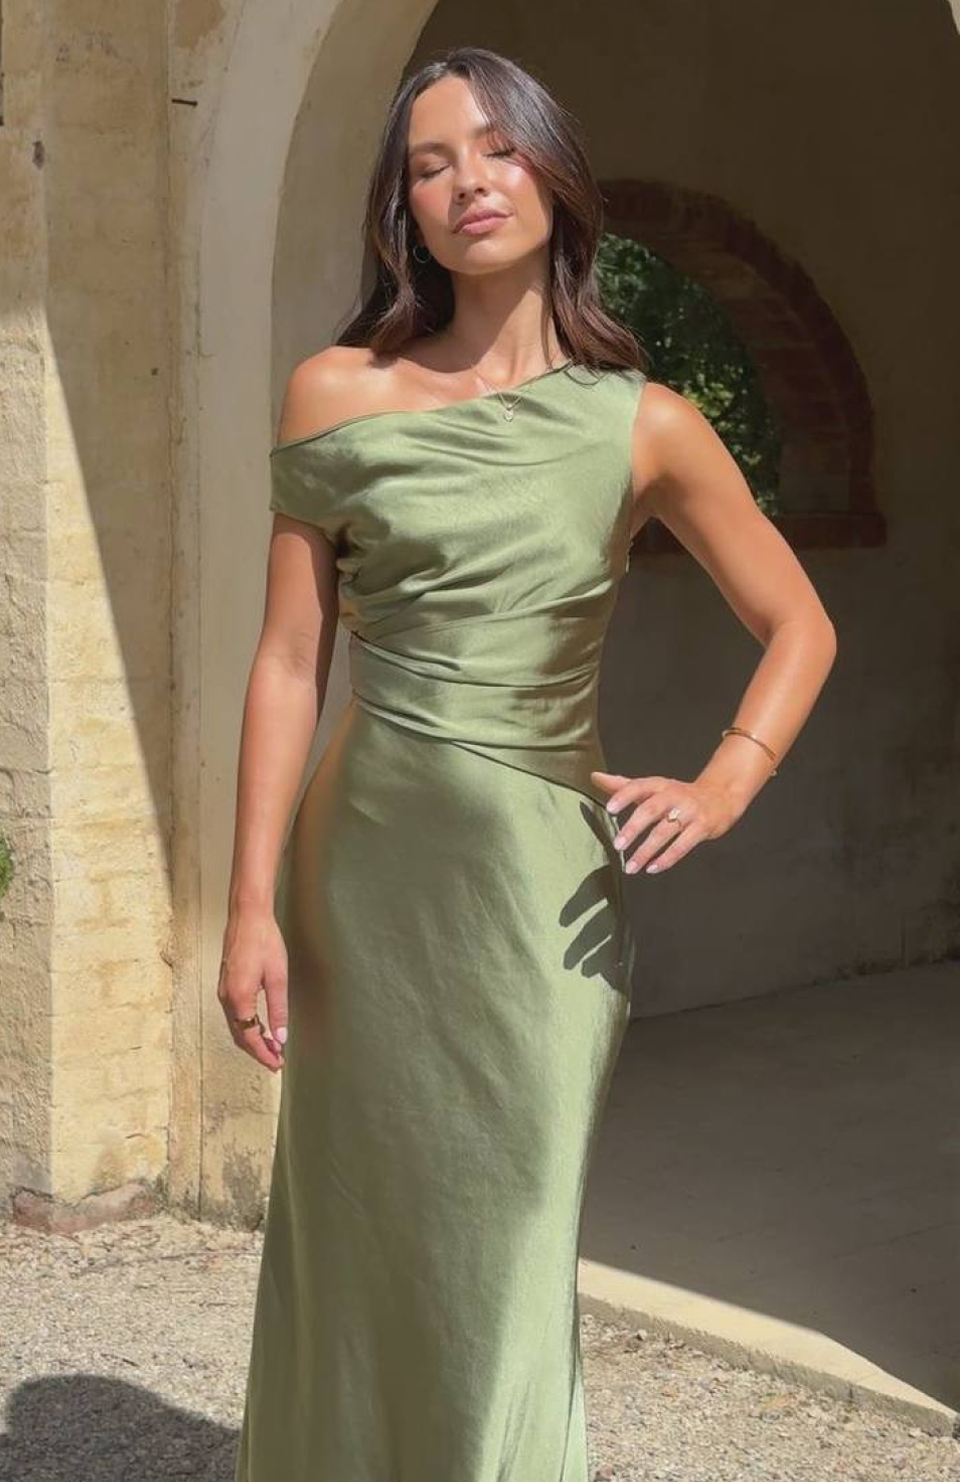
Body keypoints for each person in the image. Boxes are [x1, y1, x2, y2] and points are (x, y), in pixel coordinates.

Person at [223, 44, 837, 1482]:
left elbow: (798, 621)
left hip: (539, 899)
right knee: (357, 1227)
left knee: (508, 1236)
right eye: (430, 164)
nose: (468, 183)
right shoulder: (334, 392)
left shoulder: (643, 423)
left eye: (497, 149)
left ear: (556, 176)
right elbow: (289, 663)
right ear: (403, 209)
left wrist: (725, 780)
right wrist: (248, 905)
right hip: (362, 882)